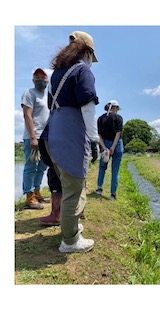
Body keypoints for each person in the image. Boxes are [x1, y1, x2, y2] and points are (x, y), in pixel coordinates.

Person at [40, 30, 99, 253]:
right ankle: (71, 241)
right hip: (70, 133)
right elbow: (88, 107)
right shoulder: (82, 71)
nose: (91, 62)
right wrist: (94, 139)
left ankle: (71, 227)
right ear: (86, 52)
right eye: (91, 58)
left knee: (67, 185)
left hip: (52, 130)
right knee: (74, 188)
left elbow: (50, 105)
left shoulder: (56, 74)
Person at [21, 68, 51, 210]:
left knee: (42, 166)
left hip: (45, 137)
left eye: (43, 77)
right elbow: (27, 115)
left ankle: (37, 192)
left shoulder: (47, 97)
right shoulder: (29, 93)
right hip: (33, 137)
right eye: (37, 77)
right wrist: (33, 137)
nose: (40, 79)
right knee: (30, 166)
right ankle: (29, 196)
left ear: (47, 80)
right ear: (33, 80)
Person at [95, 100, 124, 200]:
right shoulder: (119, 118)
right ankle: (113, 194)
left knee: (102, 167)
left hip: (105, 143)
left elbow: (99, 135)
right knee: (115, 170)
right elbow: (118, 133)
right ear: (114, 108)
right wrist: (113, 147)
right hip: (118, 145)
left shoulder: (100, 118)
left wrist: (104, 148)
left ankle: (99, 188)